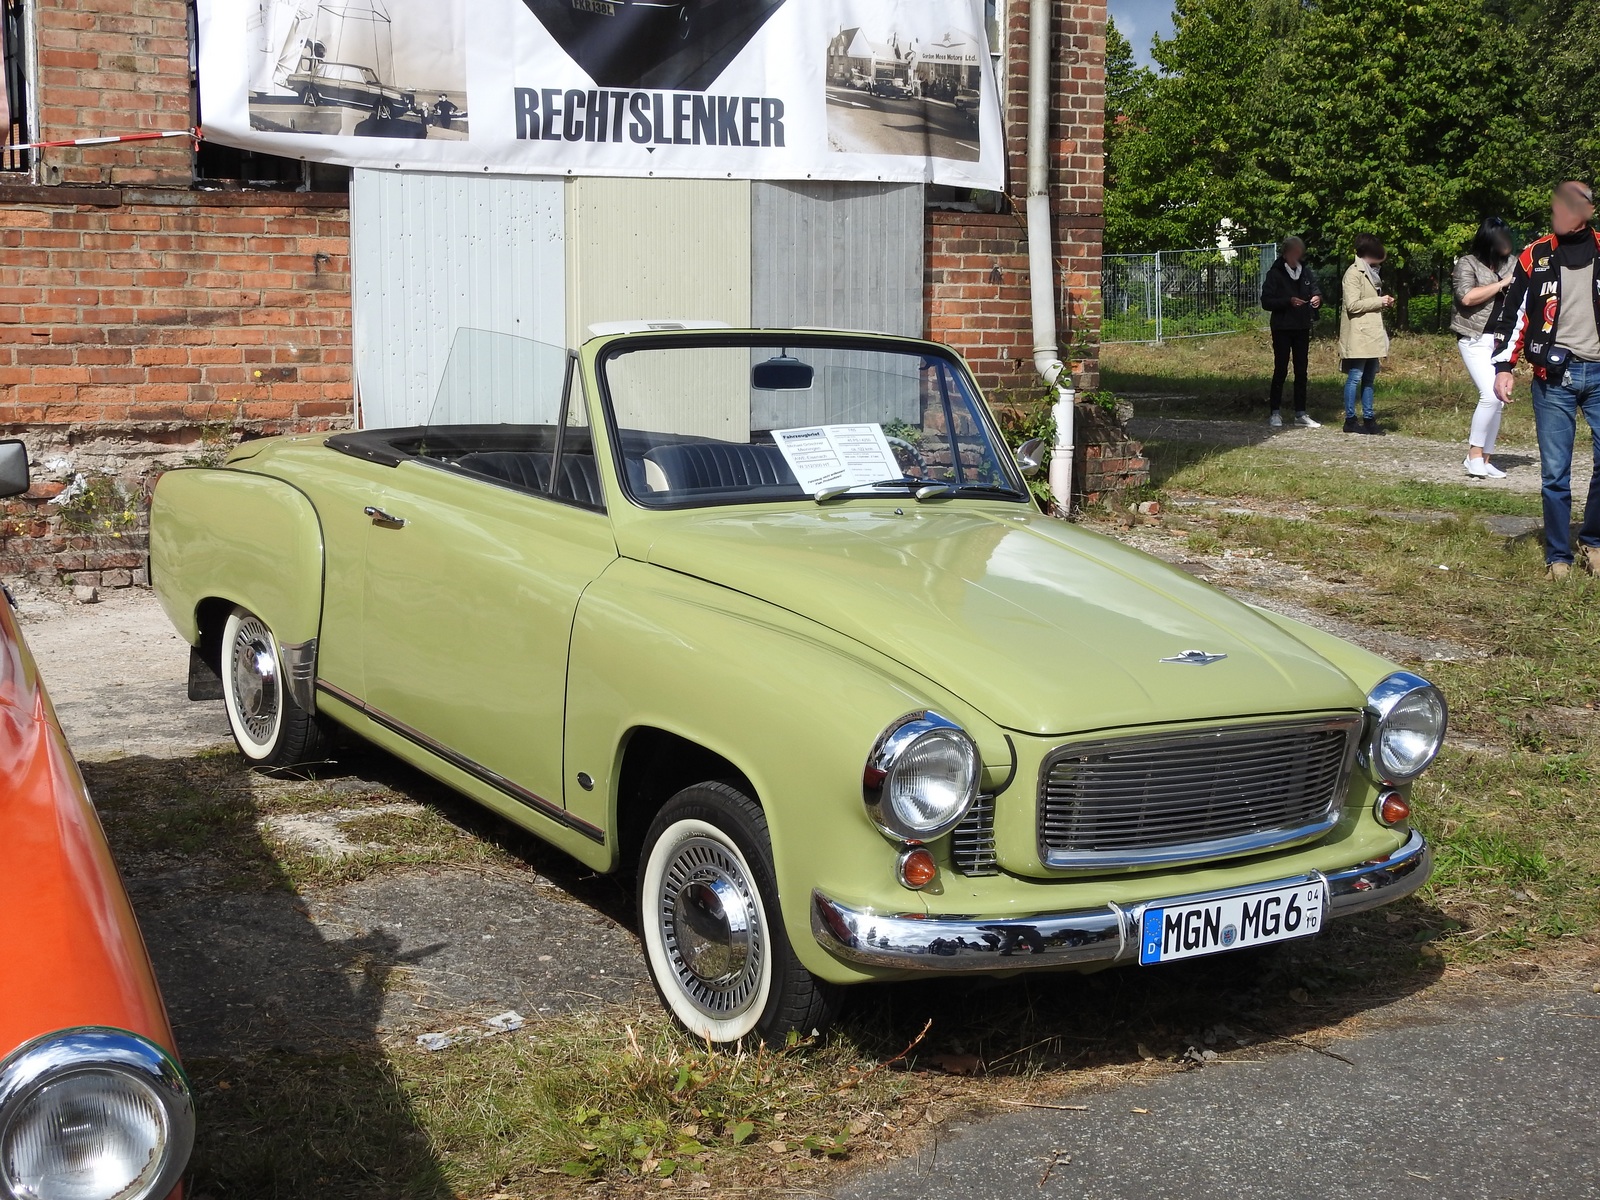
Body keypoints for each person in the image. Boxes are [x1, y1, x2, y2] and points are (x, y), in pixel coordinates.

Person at [1490, 181, 1600, 580]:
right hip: (1553, 375)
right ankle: (1559, 556)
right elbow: (1514, 313)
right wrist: (1504, 366)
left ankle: (1593, 540)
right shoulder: (1534, 256)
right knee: (1556, 471)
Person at [1452, 217, 1517, 478]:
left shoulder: (1513, 262)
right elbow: (1466, 297)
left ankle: (1486, 459)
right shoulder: (1467, 263)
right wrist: (1502, 283)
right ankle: (1473, 455)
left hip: (1501, 339)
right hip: (1473, 337)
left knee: (1499, 399)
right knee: (1489, 395)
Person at [1259, 235, 1323, 428]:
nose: (1298, 256)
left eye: (1299, 253)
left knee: (1301, 371)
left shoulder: (1306, 272)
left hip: (1302, 326)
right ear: (1286, 253)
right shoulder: (1275, 274)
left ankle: (1300, 413)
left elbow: (1316, 290)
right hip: (1282, 328)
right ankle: (1275, 412)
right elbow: (1266, 301)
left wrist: (1317, 298)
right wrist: (1288, 301)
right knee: (1280, 369)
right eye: (1294, 253)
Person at [1339, 233, 1395, 434]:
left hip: (1371, 333)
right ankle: (1350, 419)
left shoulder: (1371, 272)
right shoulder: (1354, 273)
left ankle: (1369, 418)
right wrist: (1380, 302)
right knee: (1356, 376)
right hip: (1359, 334)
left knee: (1370, 377)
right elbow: (1352, 305)